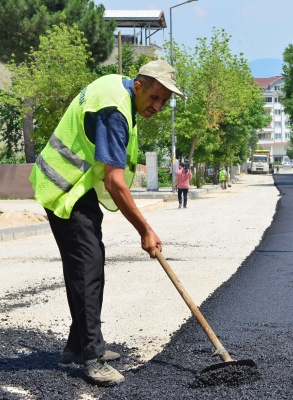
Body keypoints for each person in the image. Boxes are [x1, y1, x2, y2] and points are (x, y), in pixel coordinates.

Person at [29, 60, 184, 387]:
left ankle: (78, 345)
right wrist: (146, 230)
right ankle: (92, 357)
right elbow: (115, 181)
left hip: (79, 188)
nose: (157, 106)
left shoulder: (120, 90)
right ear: (139, 86)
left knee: (89, 265)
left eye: (164, 101)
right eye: (154, 97)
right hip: (64, 189)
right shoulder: (115, 110)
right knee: (87, 267)